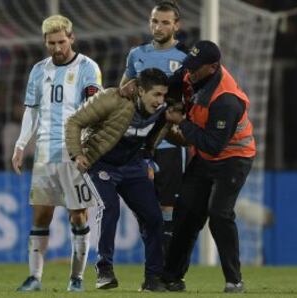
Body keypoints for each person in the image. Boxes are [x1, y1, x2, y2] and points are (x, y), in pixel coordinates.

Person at [11, 15, 102, 292]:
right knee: (40, 216)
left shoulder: (88, 67)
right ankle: (34, 278)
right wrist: (20, 144)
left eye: (62, 41)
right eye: (51, 43)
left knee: (78, 216)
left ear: (71, 38)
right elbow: (32, 110)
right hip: (44, 154)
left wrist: (85, 148)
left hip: (74, 153)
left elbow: (94, 108)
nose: (57, 48)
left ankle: (76, 279)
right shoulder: (38, 70)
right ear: (45, 42)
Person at [162, 40, 256, 293]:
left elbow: (213, 144)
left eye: (195, 68)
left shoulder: (226, 100)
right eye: (188, 65)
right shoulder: (192, 72)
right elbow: (171, 82)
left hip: (234, 157)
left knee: (219, 213)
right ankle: (170, 279)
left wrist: (182, 121)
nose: (188, 72)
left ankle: (234, 281)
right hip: (207, 156)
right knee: (187, 213)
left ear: (213, 67)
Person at [65, 68, 169, 292]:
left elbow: (154, 136)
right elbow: (74, 122)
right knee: (109, 208)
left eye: (163, 95)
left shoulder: (163, 111)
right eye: (156, 95)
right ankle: (104, 270)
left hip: (132, 167)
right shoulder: (111, 98)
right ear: (140, 91)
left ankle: (152, 278)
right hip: (100, 163)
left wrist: (148, 159)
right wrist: (77, 153)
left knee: (153, 217)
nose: (160, 101)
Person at [107, 0, 188, 286]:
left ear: (176, 25)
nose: (159, 27)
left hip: (168, 147)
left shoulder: (186, 57)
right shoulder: (137, 54)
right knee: (147, 214)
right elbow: (122, 93)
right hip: (137, 147)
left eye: (165, 22)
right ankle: (153, 274)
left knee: (167, 212)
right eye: (155, 21)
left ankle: (166, 275)